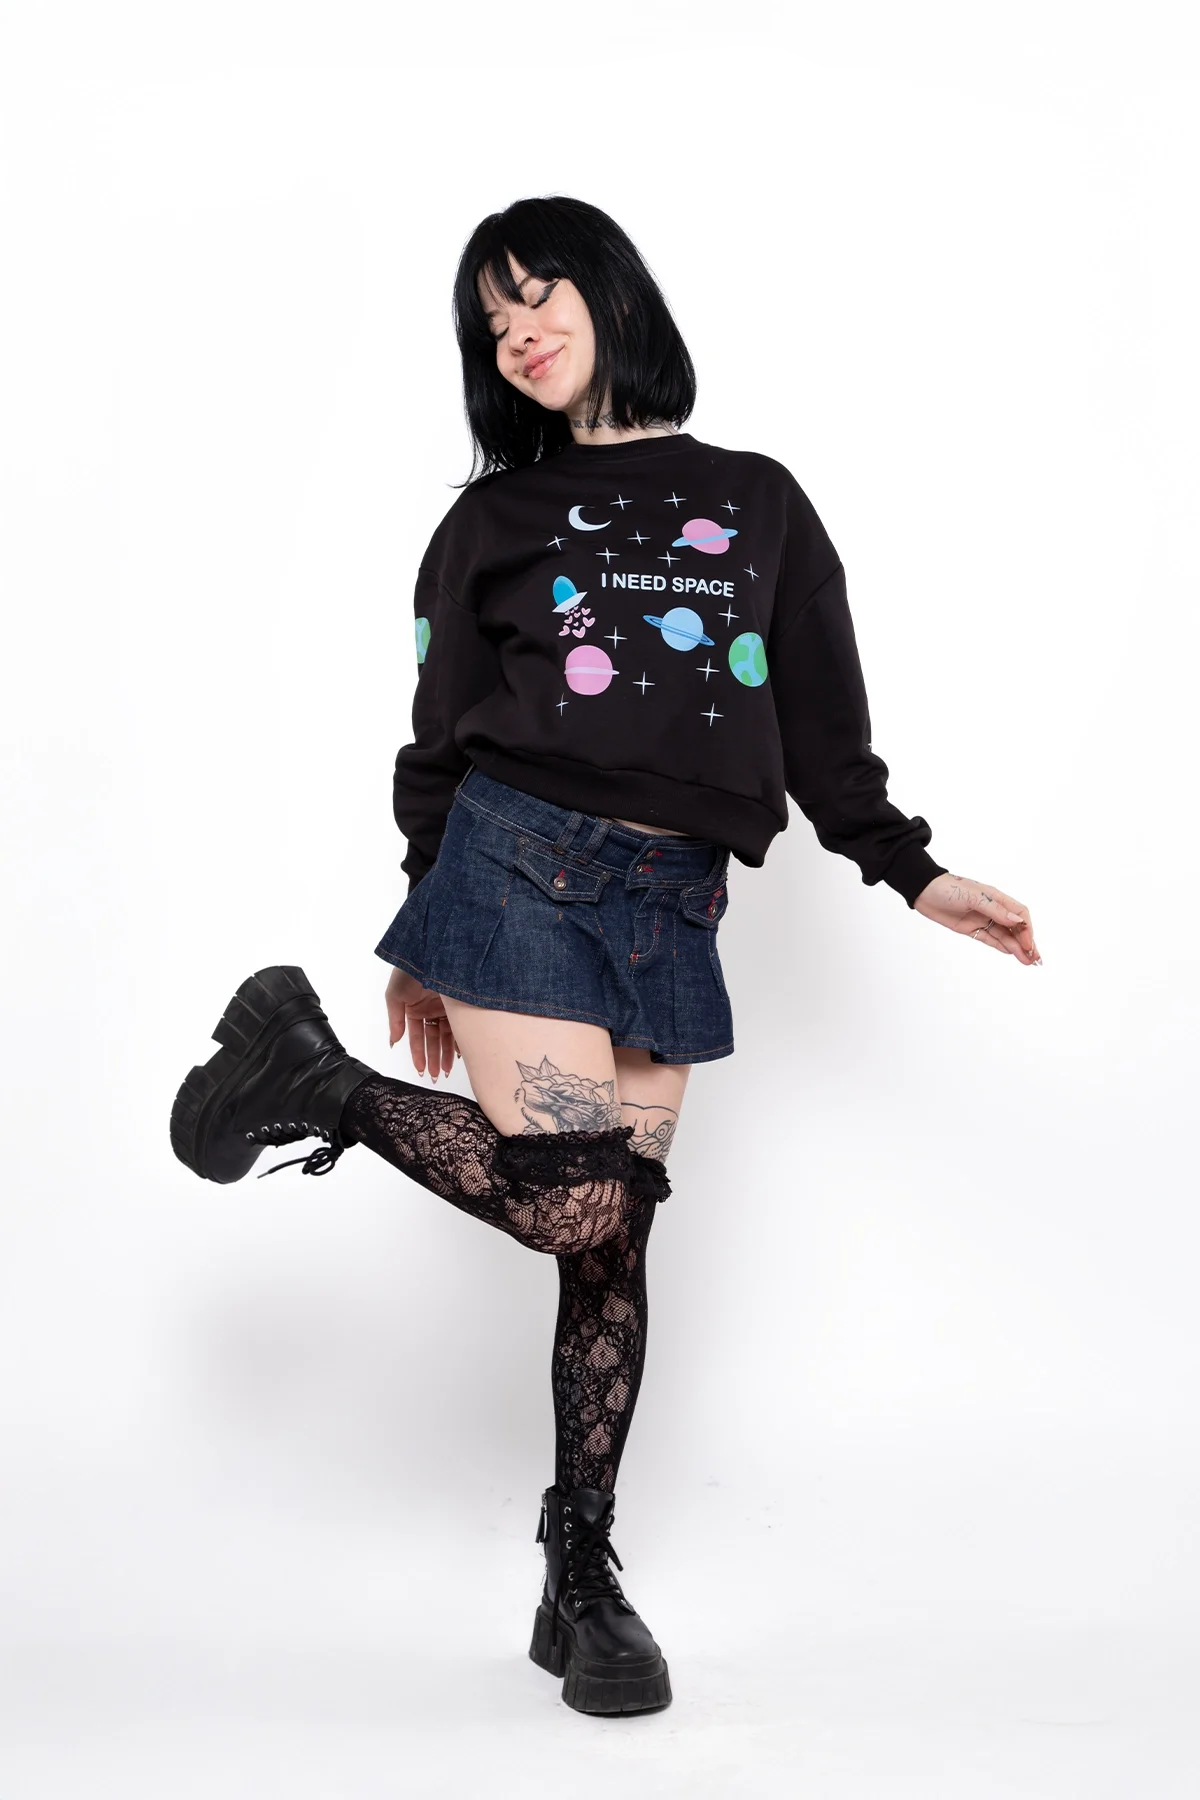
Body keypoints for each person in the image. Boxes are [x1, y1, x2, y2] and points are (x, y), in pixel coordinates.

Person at [170, 194, 1041, 1718]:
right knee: (573, 1197)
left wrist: (913, 871)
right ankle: (307, 1076)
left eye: (538, 293)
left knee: (610, 1241)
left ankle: (579, 1574)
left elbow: (823, 722)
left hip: (674, 900)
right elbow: (438, 738)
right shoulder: (490, 521)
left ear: (612, 294)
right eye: (491, 320)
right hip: (517, 861)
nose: (518, 331)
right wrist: (430, 927)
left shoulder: (758, 498)